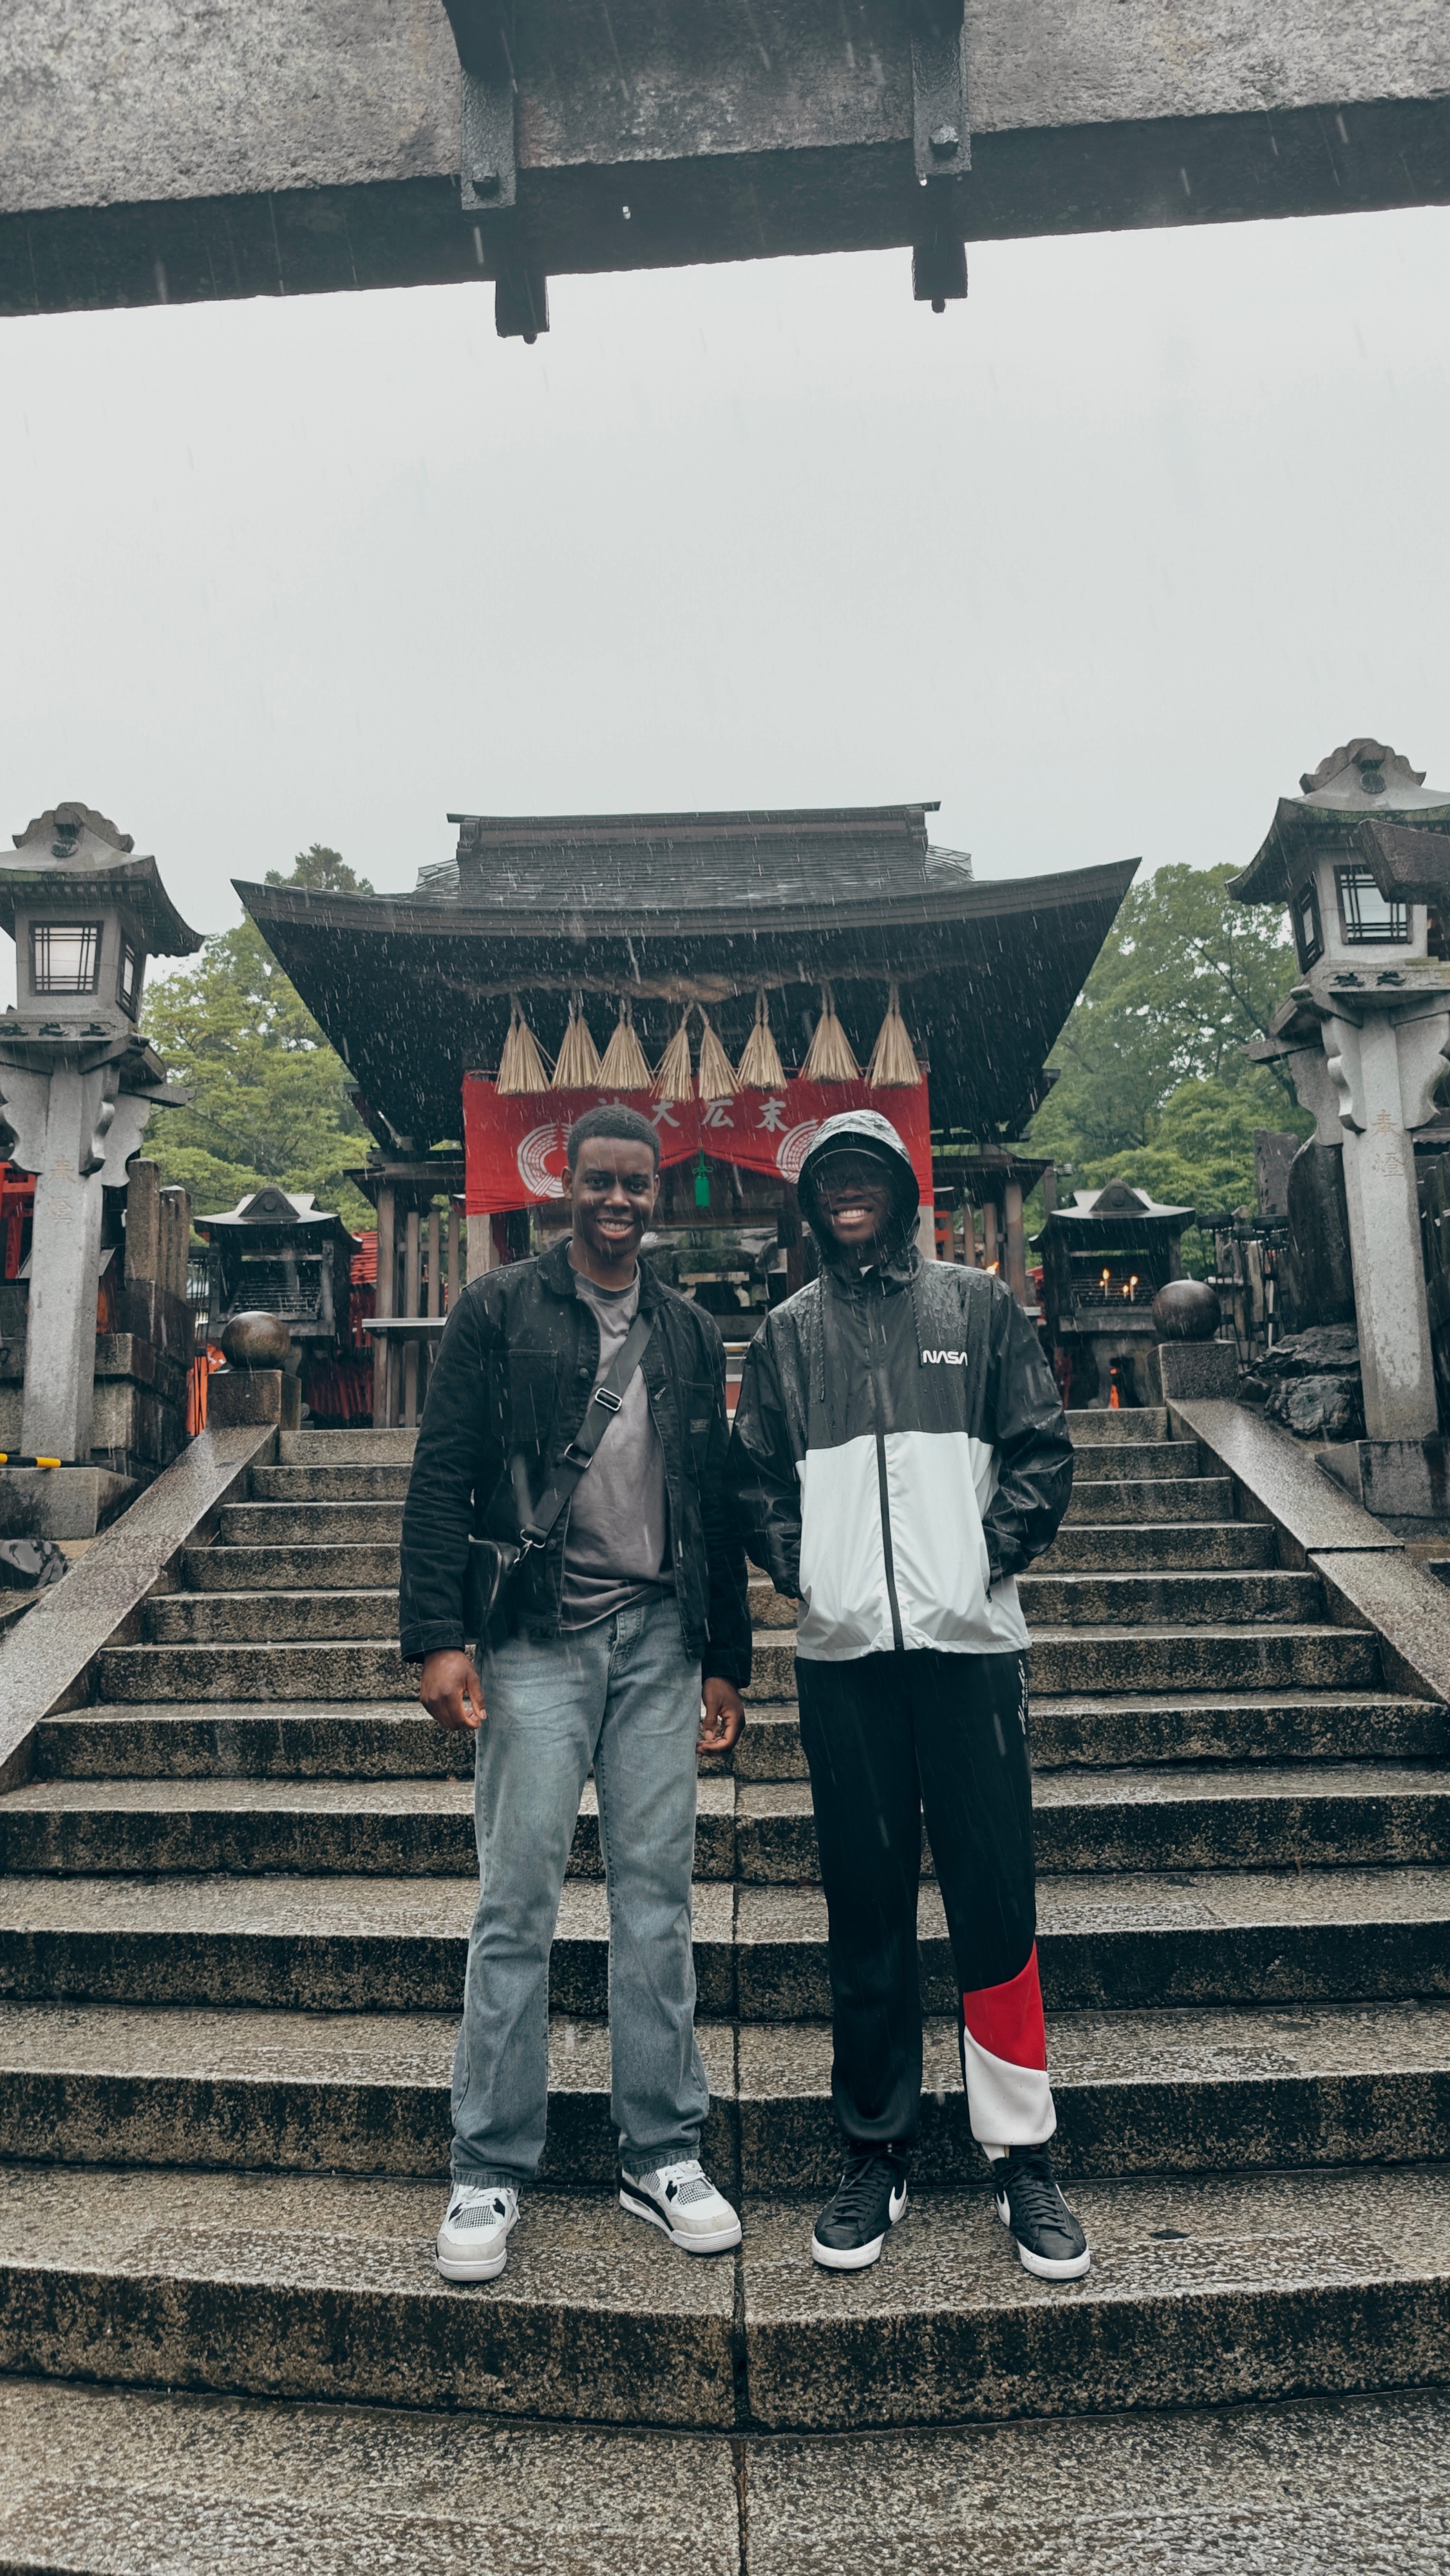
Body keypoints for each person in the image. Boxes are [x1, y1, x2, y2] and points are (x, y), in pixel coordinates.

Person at [726, 1108, 1089, 2280]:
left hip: (970, 1648)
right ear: (811, 1202)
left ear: (900, 1190)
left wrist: (982, 1555)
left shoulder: (975, 1308)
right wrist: (807, 1572)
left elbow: (1042, 1449)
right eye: (827, 1179)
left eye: (865, 1175)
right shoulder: (786, 1335)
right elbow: (752, 1481)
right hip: (845, 1664)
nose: (846, 1193)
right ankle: (875, 2148)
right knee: (866, 1909)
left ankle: (1020, 2153)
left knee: (995, 1901)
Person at [400, 1103, 751, 2282]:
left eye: (637, 1184)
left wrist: (726, 1658)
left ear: (660, 1195)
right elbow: (443, 1471)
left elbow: (713, 1501)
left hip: (659, 1637)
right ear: (564, 1189)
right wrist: (438, 1636)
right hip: (537, 1641)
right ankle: (488, 2168)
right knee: (517, 1904)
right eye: (599, 1181)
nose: (618, 1200)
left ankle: (661, 2148)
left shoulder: (689, 1329)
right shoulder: (499, 1309)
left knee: (658, 1898)